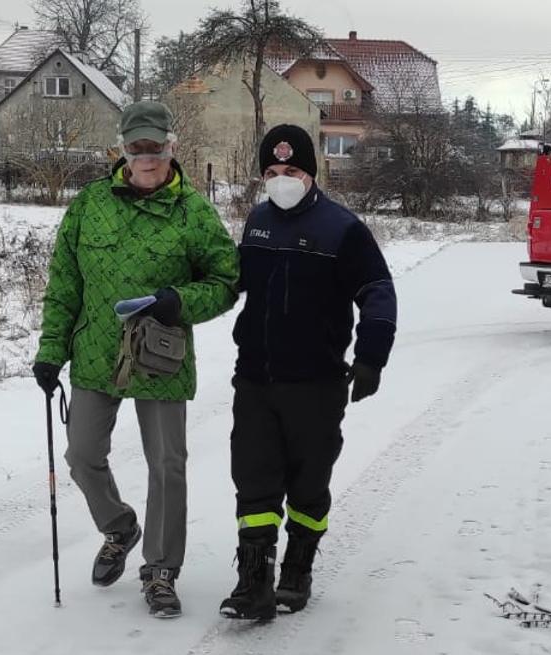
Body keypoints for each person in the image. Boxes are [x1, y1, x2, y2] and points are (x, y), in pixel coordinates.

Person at [32, 101, 240, 619]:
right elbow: (65, 285)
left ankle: (161, 570)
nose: (147, 158)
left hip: (160, 355)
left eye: (156, 147)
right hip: (95, 352)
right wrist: (51, 351)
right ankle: (120, 528)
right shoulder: (89, 205)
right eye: (136, 148)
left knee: (166, 465)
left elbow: (226, 281)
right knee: (81, 456)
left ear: (171, 147)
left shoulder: (193, 211)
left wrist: (181, 302)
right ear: (122, 151)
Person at [221, 124, 397, 622]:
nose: (282, 180)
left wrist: (371, 357)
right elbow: (233, 283)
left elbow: (378, 292)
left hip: (316, 383)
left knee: (307, 481)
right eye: (272, 172)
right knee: (253, 477)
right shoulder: (256, 222)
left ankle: (297, 568)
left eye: (291, 170)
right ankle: (253, 582)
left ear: (310, 173)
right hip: (255, 377)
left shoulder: (342, 228)